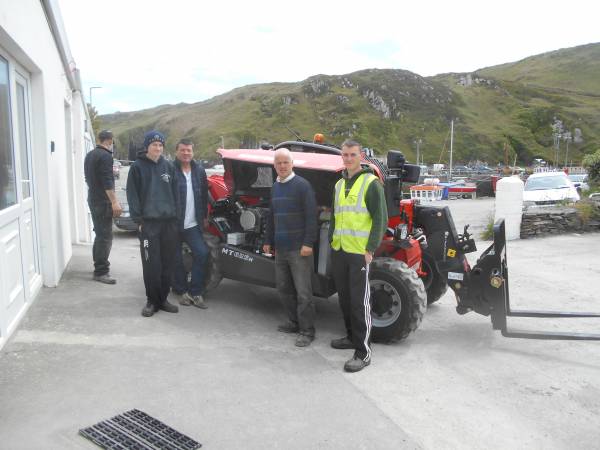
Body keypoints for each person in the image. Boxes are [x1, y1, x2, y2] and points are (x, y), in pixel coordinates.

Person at [329, 139, 387, 372]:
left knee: (359, 303)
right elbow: (336, 216)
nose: (349, 158)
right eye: (345, 155)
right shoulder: (338, 185)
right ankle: (351, 337)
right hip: (340, 250)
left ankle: (363, 352)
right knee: (344, 299)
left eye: (353, 155)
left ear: (361, 156)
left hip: (359, 254)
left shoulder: (371, 183)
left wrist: (370, 249)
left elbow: (380, 220)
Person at [263, 148, 318, 347]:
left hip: (298, 249)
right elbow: (272, 216)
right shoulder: (275, 187)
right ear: (274, 166)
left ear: (292, 164)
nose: (282, 166)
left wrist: (308, 243)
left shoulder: (303, 186)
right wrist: (268, 241)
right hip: (281, 248)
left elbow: (312, 217)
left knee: (304, 292)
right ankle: (294, 322)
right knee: (284, 288)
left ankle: (307, 331)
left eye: (285, 162)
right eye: (278, 163)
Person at [126, 130, 179, 317]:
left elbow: (177, 194)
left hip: (169, 224)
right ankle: (151, 301)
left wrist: (176, 218)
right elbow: (132, 195)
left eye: (160, 145)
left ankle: (163, 299)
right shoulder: (137, 168)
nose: (157, 148)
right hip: (149, 224)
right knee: (151, 264)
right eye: (154, 144)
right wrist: (138, 220)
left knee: (167, 264)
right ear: (147, 146)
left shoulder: (169, 167)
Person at [172, 138, 209, 309]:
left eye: (189, 150)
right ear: (177, 152)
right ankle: (181, 291)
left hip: (193, 223)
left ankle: (196, 292)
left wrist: (204, 217)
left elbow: (203, 196)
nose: (186, 153)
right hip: (174, 223)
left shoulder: (199, 171)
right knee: (176, 258)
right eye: (183, 150)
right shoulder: (170, 169)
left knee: (202, 254)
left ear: (193, 152)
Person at [84, 129, 123, 284]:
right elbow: (108, 181)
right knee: (105, 237)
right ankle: (101, 271)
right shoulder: (106, 156)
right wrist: (114, 202)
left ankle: (98, 266)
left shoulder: (90, 155)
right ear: (109, 141)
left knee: (100, 235)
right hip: (102, 201)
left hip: (93, 198)